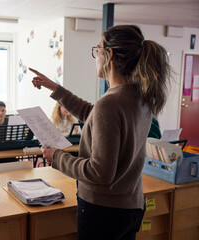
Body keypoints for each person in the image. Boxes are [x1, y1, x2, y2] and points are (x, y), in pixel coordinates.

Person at [30, 25, 171, 239]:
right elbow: (94, 114)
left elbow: (100, 173)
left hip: (104, 211)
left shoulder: (111, 102)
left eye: (97, 50)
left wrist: (57, 157)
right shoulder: (140, 97)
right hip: (130, 207)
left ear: (109, 55)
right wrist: (54, 88)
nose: (95, 56)